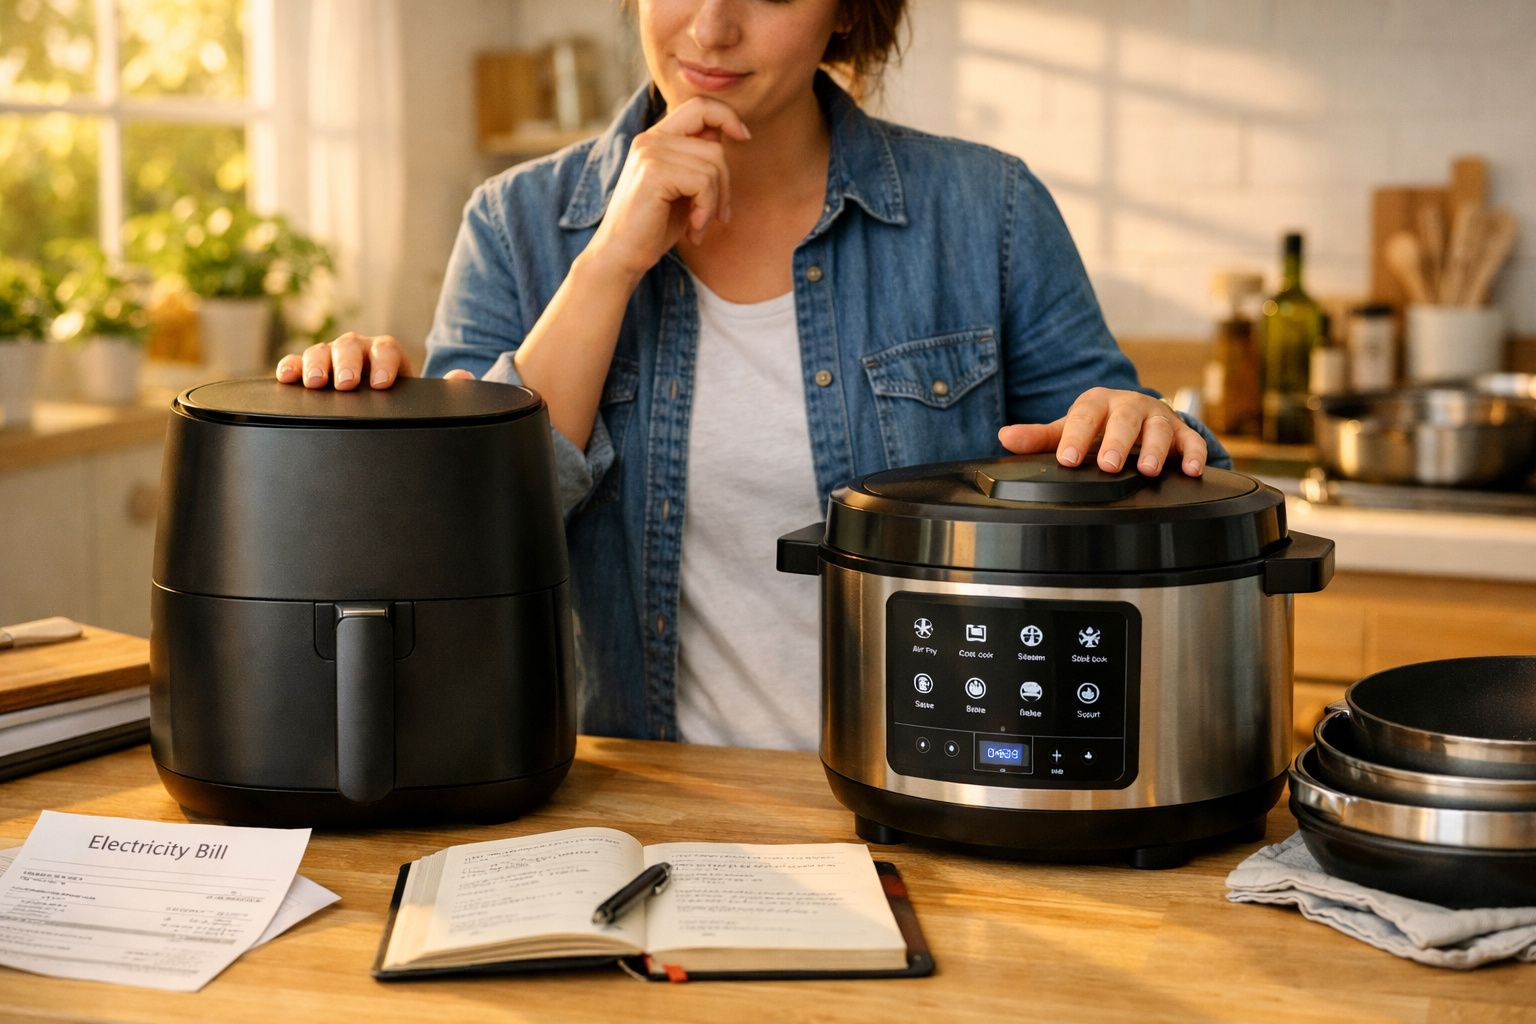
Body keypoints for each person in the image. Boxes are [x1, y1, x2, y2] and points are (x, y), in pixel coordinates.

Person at [276, 0, 1227, 751]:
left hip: (935, 794)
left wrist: (1135, 428)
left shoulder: (989, 211)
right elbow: (456, 538)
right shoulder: (516, 225)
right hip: (638, 803)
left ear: (848, 11)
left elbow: (1147, 490)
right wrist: (609, 260)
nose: (712, 27)